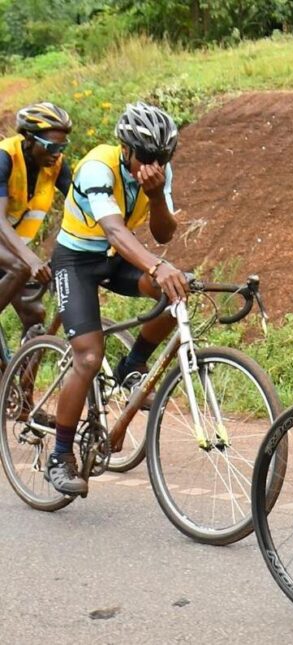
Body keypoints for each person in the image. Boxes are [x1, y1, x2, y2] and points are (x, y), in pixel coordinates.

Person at [45, 102, 189, 497]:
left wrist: (157, 195)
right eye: (144, 156)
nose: (151, 165)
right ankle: (59, 456)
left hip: (112, 260)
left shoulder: (158, 174)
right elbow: (114, 231)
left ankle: (133, 362)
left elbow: (163, 235)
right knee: (88, 357)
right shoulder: (97, 167)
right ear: (125, 148)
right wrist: (157, 266)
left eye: (160, 158)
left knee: (176, 290)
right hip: (76, 260)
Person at [0, 103, 73, 339]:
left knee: (34, 315)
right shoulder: (5, 157)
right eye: (51, 146)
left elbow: (83, 204)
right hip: (5, 239)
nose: (57, 153)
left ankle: (20, 376)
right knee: (20, 267)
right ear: (29, 139)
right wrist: (31, 260)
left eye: (62, 147)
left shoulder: (56, 165)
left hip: (10, 245)